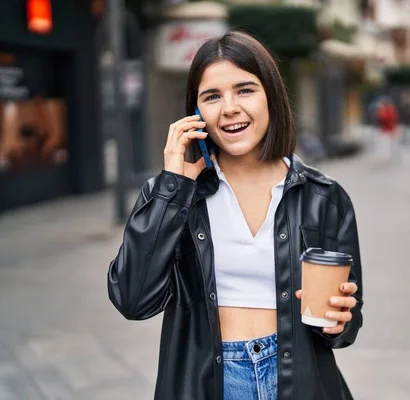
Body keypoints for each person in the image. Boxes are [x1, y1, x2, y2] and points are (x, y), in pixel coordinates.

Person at [107, 31, 363, 400]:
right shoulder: (176, 196)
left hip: (300, 382)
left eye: (245, 90)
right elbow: (133, 300)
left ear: (270, 96)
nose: (228, 107)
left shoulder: (325, 198)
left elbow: (347, 326)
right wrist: (171, 189)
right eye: (212, 96)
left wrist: (340, 320)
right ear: (196, 113)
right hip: (209, 383)